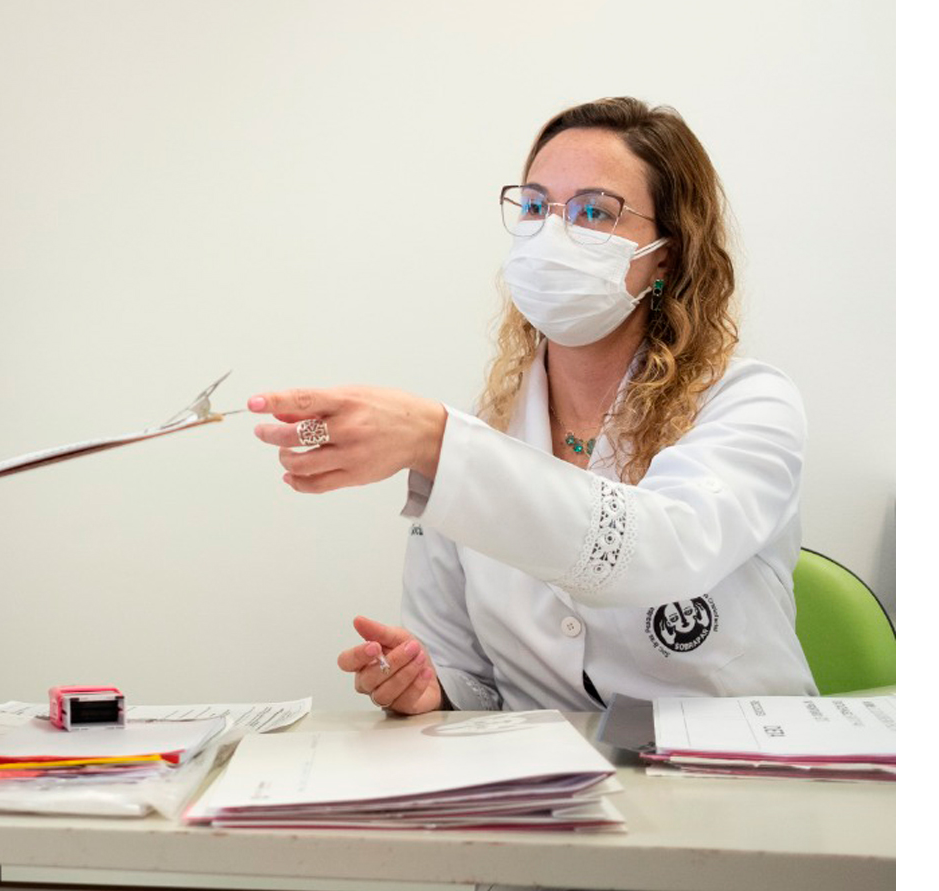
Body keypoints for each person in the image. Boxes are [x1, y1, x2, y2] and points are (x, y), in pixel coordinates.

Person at [248, 97, 814, 714]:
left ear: (666, 254)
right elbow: (463, 672)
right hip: (552, 770)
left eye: (594, 211)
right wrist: (432, 689)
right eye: (537, 207)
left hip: (742, 757)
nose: (552, 235)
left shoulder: (749, 404)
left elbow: (660, 552)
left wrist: (437, 442)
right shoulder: (486, 432)